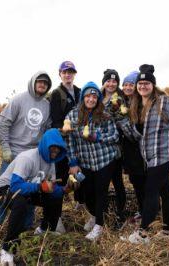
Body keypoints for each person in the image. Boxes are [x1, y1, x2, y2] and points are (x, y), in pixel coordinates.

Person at [118, 64, 169, 244]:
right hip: (148, 159)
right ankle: (167, 233)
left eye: (147, 83)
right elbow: (137, 135)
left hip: (164, 156)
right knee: (166, 192)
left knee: (151, 192)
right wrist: (123, 123)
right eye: (140, 84)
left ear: (153, 85)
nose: (143, 86)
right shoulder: (137, 104)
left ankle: (143, 233)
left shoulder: (165, 102)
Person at [0, 129, 75, 266]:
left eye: (57, 150)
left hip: (28, 190)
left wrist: (65, 190)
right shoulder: (27, 157)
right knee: (20, 201)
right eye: (52, 148)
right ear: (45, 145)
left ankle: (44, 230)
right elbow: (15, 186)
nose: (54, 152)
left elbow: (51, 188)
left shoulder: (51, 163)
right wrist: (40, 187)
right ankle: (7, 249)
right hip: (5, 188)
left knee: (55, 198)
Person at [0, 71, 53, 227]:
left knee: (31, 191)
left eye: (45, 83)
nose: (42, 84)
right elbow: (4, 124)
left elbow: (46, 131)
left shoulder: (47, 106)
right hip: (13, 154)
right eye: (39, 81)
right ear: (33, 82)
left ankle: (25, 227)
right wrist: (5, 148)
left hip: (33, 156)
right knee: (5, 190)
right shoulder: (19, 100)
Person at [65, 81, 120, 241]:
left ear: (98, 98)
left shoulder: (105, 115)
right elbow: (70, 141)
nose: (91, 99)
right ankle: (95, 216)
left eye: (94, 96)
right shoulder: (73, 115)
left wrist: (97, 137)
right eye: (88, 96)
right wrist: (73, 162)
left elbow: (115, 136)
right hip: (85, 161)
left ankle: (99, 226)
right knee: (88, 193)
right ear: (83, 97)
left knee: (101, 191)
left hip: (105, 159)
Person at [49, 60, 81, 232]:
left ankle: (83, 207)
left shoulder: (80, 92)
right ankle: (56, 218)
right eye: (65, 72)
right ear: (60, 74)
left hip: (79, 143)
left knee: (78, 177)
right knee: (60, 178)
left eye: (71, 72)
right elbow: (54, 120)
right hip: (62, 143)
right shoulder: (56, 94)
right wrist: (63, 129)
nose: (68, 75)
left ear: (74, 74)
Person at [100, 69, 127, 227]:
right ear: (104, 82)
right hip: (98, 147)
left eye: (114, 81)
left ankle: (120, 215)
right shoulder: (97, 96)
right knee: (102, 182)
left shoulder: (120, 99)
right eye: (108, 81)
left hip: (115, 146)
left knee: (117, 182)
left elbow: (123, 121)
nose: (111, 84)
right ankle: (100, 215)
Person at [119, 70, 146, 222]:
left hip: (139, 150)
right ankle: (143, 208)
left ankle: (146, 210)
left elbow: (136, 133)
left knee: (141, 181)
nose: (128, 87)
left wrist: (122, 123)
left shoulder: (140, 104)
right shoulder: (123, 102)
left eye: (131, 84)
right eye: (126, 85)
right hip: (128, 150)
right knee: (135, 181)